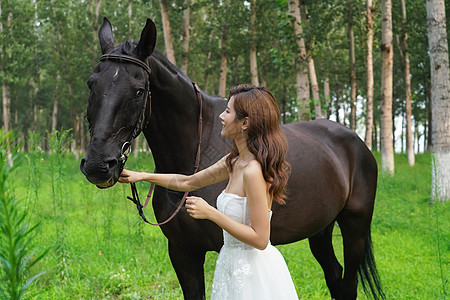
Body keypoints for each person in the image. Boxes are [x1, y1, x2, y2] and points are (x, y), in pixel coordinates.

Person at [119, 84, 298, 299]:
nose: (221, 116)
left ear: (245, 123)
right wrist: (143, 176)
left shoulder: (253, 171)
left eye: (228, 111)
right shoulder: (233, 162)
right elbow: (188, 182)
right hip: (229, 265)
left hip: (254, 274)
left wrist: (211, 213)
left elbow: (260, 239)